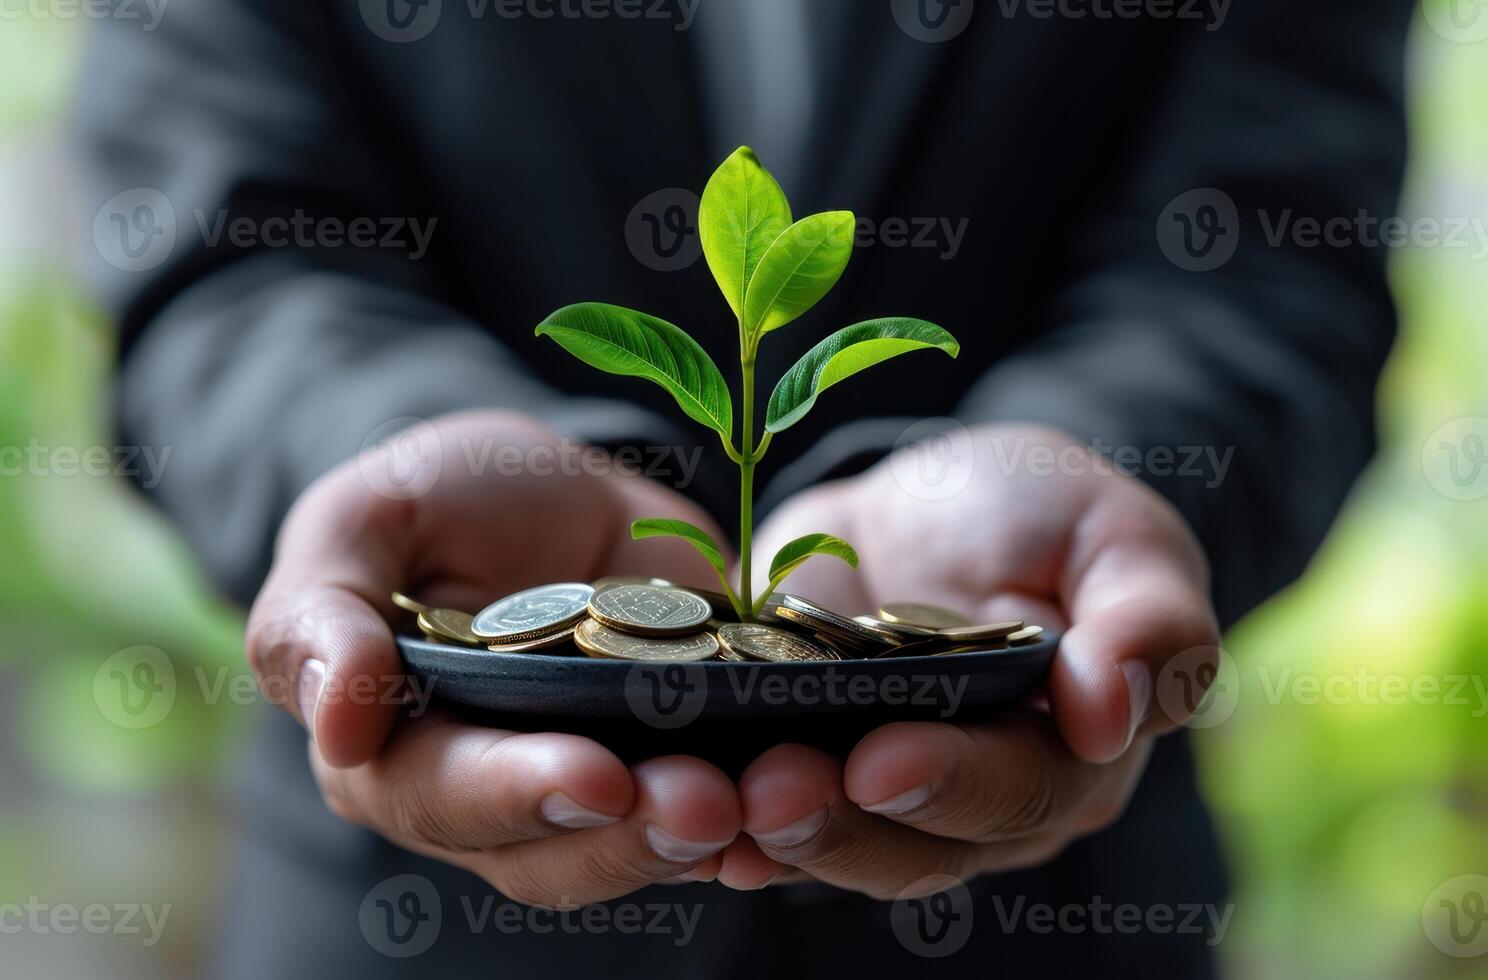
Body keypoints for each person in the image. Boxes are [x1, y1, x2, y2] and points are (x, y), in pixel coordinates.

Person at [74, 0, 1412, 975]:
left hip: (1050, 919)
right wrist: (389, 454)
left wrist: (1106, 466)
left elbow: (1264, 261)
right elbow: (228, 254)